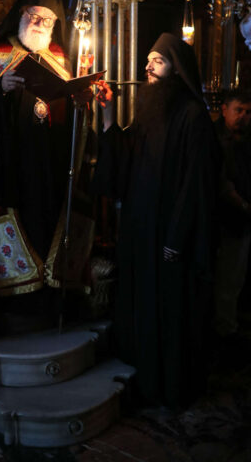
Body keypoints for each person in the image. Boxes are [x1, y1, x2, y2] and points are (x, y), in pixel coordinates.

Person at [95, 32, 220, 409]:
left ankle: (169, 389)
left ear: (176, 70)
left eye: (158, 61)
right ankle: (144, 380)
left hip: (168, 236)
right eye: (148, 59)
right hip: (141, 231)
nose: (147, 66)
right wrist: (107, 115)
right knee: (142, 305)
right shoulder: (150, 110)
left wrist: (176, 238)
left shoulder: (192, 116)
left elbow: (196, 184)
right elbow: (125, 160)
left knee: (169, 311)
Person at [0, 0, 94, 312]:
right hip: (14, 163)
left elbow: (71, 118)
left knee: (50, 219)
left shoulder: (60, 60)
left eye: (47, 20)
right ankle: (17, 300)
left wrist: (81, 101)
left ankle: (52, 293)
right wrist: (2, 90)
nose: (39, 24)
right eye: (34, 16)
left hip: (51, 163)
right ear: (20, 15)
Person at [214, 90, 251, 339]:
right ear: (225, 109)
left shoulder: (245, 139)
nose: (244, 116)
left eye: (248, 112)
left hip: (241, 220)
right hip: (225, 219)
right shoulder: (215, 138)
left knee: (235, 278)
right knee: (226, 279)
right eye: (239, 110)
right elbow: (222, 183)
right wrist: (242, 204)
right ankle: (224, 330)